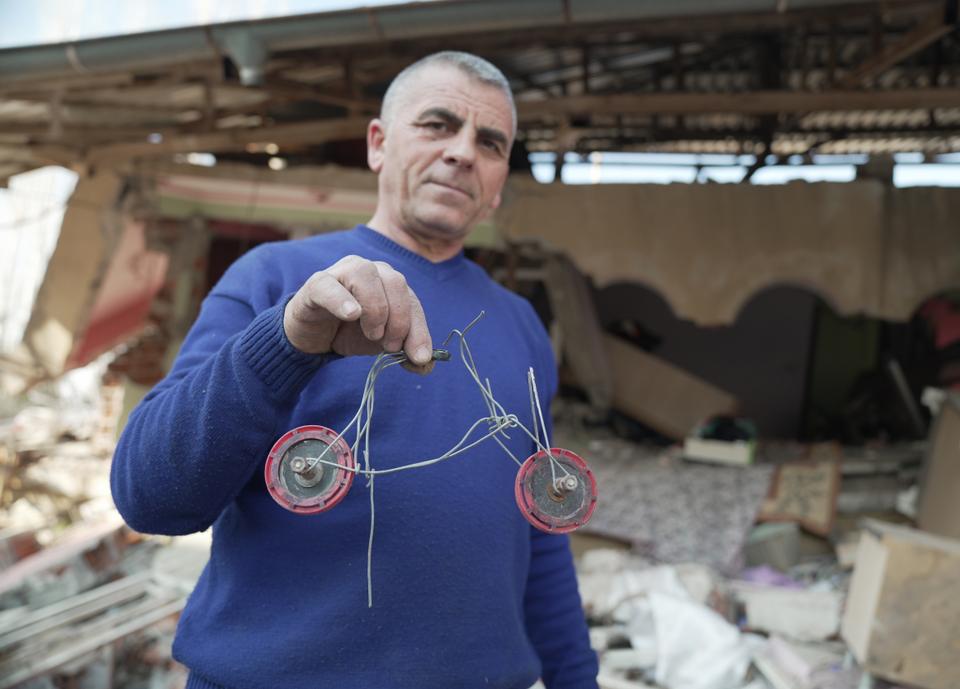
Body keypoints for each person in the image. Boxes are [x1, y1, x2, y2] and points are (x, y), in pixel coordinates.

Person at [111, 51, 599, 689]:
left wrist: (576, 679)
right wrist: (286, 342)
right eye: (436, 125)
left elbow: (542, 523)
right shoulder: (274, 279)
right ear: (378, 144)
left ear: (500, 179)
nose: (461, 152)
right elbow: (149, 498)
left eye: (489, 141)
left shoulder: (522, 326)